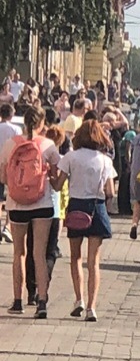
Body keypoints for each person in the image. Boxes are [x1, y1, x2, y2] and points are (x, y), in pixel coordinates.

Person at [0, 107, 60, 318]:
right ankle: (41, 301)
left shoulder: (10, 144)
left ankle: (18, 301)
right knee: (40, 254)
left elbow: (3, 177)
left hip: (16, 204)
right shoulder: (48, 145)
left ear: (25, 122)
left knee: (19, 253)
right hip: (42, 204)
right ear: (42, 123)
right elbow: (55, 179)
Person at [54, 120, 116, 322]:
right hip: (96, 207)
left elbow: (58, 185)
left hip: (76, 206)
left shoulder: (71, 157)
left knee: (75, 257)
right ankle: (91, 307)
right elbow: (110, 192)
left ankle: (78, 299)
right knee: (94, 262)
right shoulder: (105, 160)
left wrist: (49, 176)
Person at [25, 125, 66, 306]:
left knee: (31, 249)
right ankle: (43, 285)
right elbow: (58, 187)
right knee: (49, 252)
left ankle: (30, 290)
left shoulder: (35, 153)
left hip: (29, 204)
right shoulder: (58, 158)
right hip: (52, 209)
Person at [0, 104, 22, 243]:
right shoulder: (16, 129)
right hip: (11, 164)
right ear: (11, 115)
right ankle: (7, 226)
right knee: (11, 198)